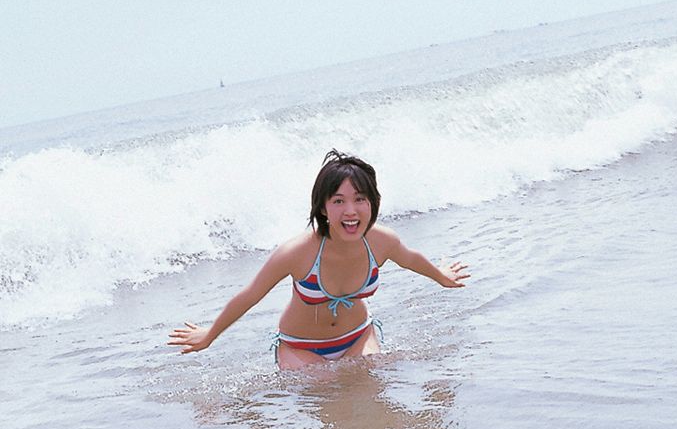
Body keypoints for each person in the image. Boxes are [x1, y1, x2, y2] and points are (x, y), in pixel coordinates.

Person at [168, 149, 470, 368]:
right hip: (301, 348)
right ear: (323, 208)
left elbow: (411, 259)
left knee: (372, 404)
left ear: (373, 203)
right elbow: (250, 295)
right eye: (338, 201)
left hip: (357, 337)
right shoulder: (297, 252)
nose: (350, 211)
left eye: (360, 199)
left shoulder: (381, 241)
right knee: (324, 407)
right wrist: (210, 334)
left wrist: (441, 276)